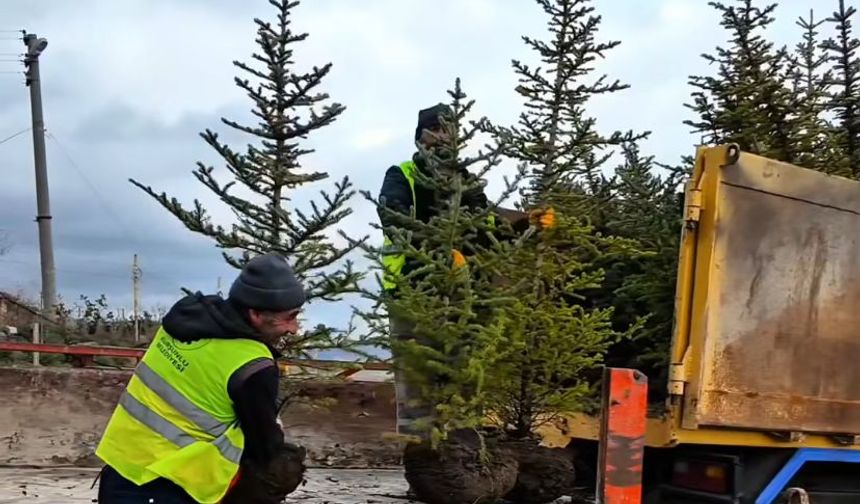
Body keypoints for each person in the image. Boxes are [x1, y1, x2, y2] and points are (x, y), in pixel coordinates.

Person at [95, 252, 306, 504]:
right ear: (256, 315)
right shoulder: (251, 364)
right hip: (174, 485)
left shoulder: (183, 322)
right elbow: (264, 447)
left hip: (121, 465)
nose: (295, 328)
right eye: (290, 317)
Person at [378, 103, 493, 437]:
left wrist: (528, 225)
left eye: (450, 129)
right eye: (437, 129)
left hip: (464, 299)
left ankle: (462, 451)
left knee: (464, 374)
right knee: (415, 378)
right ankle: (420, 458)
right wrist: (442, 253)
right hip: (412, 292)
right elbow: (395, 218)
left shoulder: (467, 183)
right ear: (421, 137)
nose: (444, 136)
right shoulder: (402, 175)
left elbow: (489, 228)